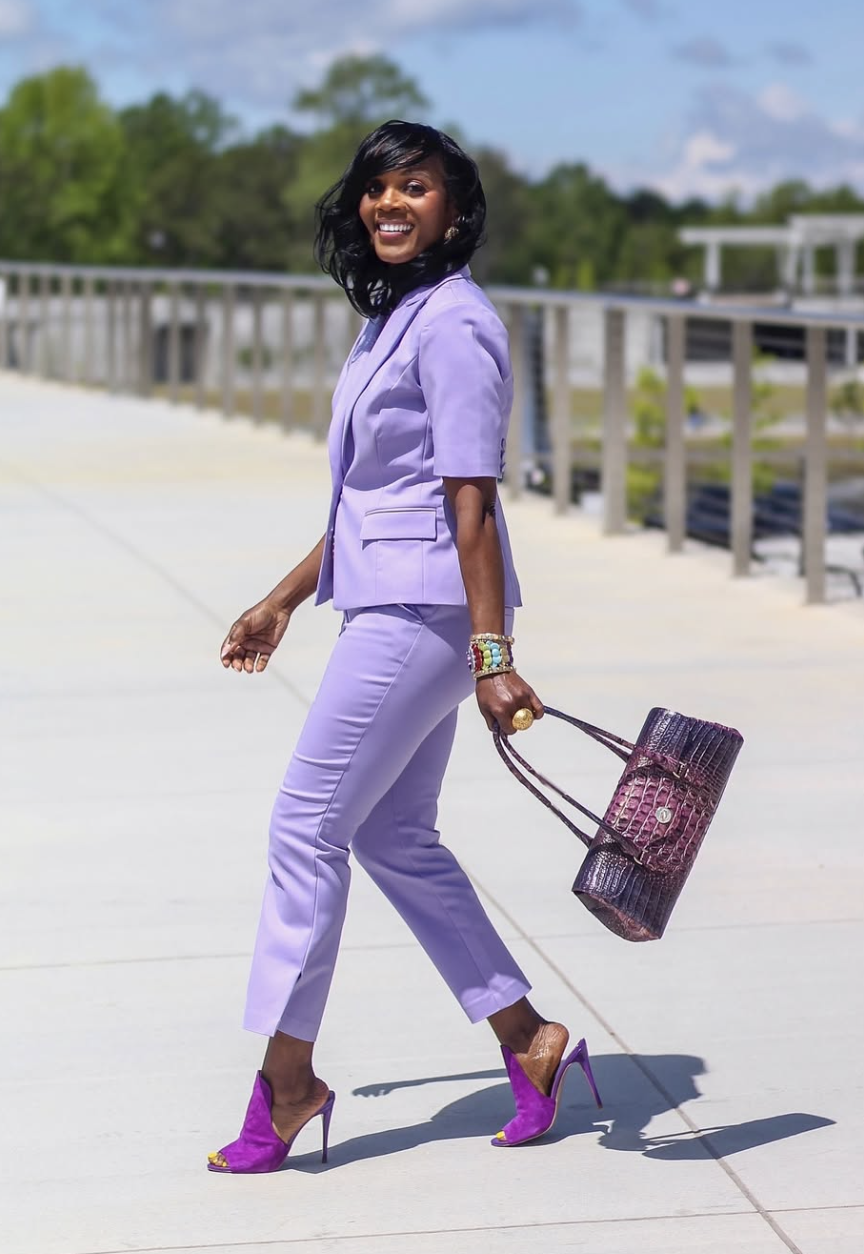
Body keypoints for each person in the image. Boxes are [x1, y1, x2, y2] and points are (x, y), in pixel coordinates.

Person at [207, 120, 602, 1175]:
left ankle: (288, 1080)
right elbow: (369, 497)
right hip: (380, 596)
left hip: (425, 612)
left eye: (416, 187)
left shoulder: (458, 324)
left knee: (305, 825)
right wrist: (286, 597)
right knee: (392, 838)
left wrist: (490, 653)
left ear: (456, 211)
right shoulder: (394, 318)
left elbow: (470, 498)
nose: (391, 203)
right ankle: (529, 1041)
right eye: (378, 188)